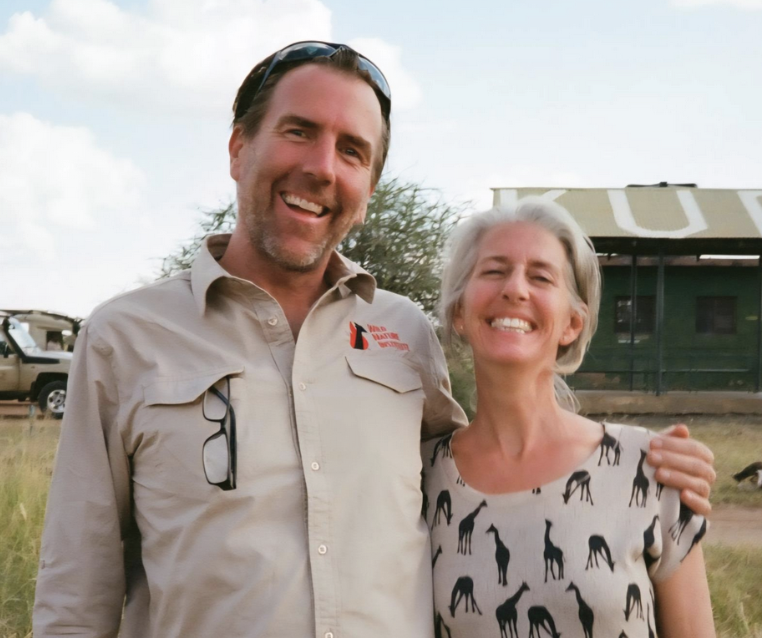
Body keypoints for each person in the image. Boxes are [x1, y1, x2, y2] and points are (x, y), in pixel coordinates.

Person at [34, 41, 715, 638]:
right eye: (299, 131)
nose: (323, 167)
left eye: (352, 151)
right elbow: (74, 596)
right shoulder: (126, 339)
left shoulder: (403, 333)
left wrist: (640, 462)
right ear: (239, 148)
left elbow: (481, 463)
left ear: (367, 190)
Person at [423, 199, 714, 637]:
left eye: (541, 277)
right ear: (459, 312)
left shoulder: (651, 467)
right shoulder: (418, 480)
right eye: (494, 271)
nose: (515, 289)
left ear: (572, 324)